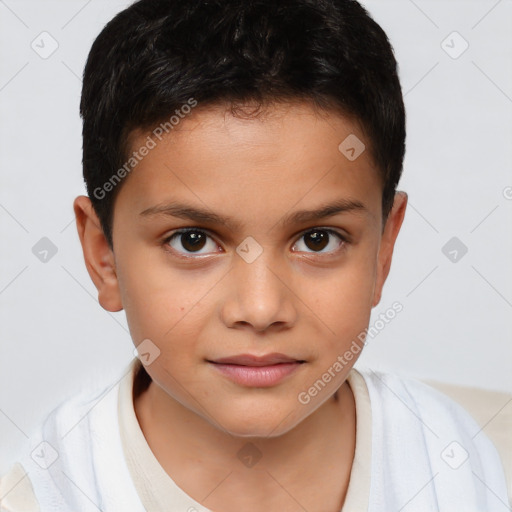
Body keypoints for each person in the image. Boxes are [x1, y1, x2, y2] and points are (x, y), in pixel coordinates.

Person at [0, 0, 509, 510]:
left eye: (318, 239)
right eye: (193, 240)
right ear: (103, 255)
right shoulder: (38, 497)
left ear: (383, 249)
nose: (262, 309)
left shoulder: (481, 465)